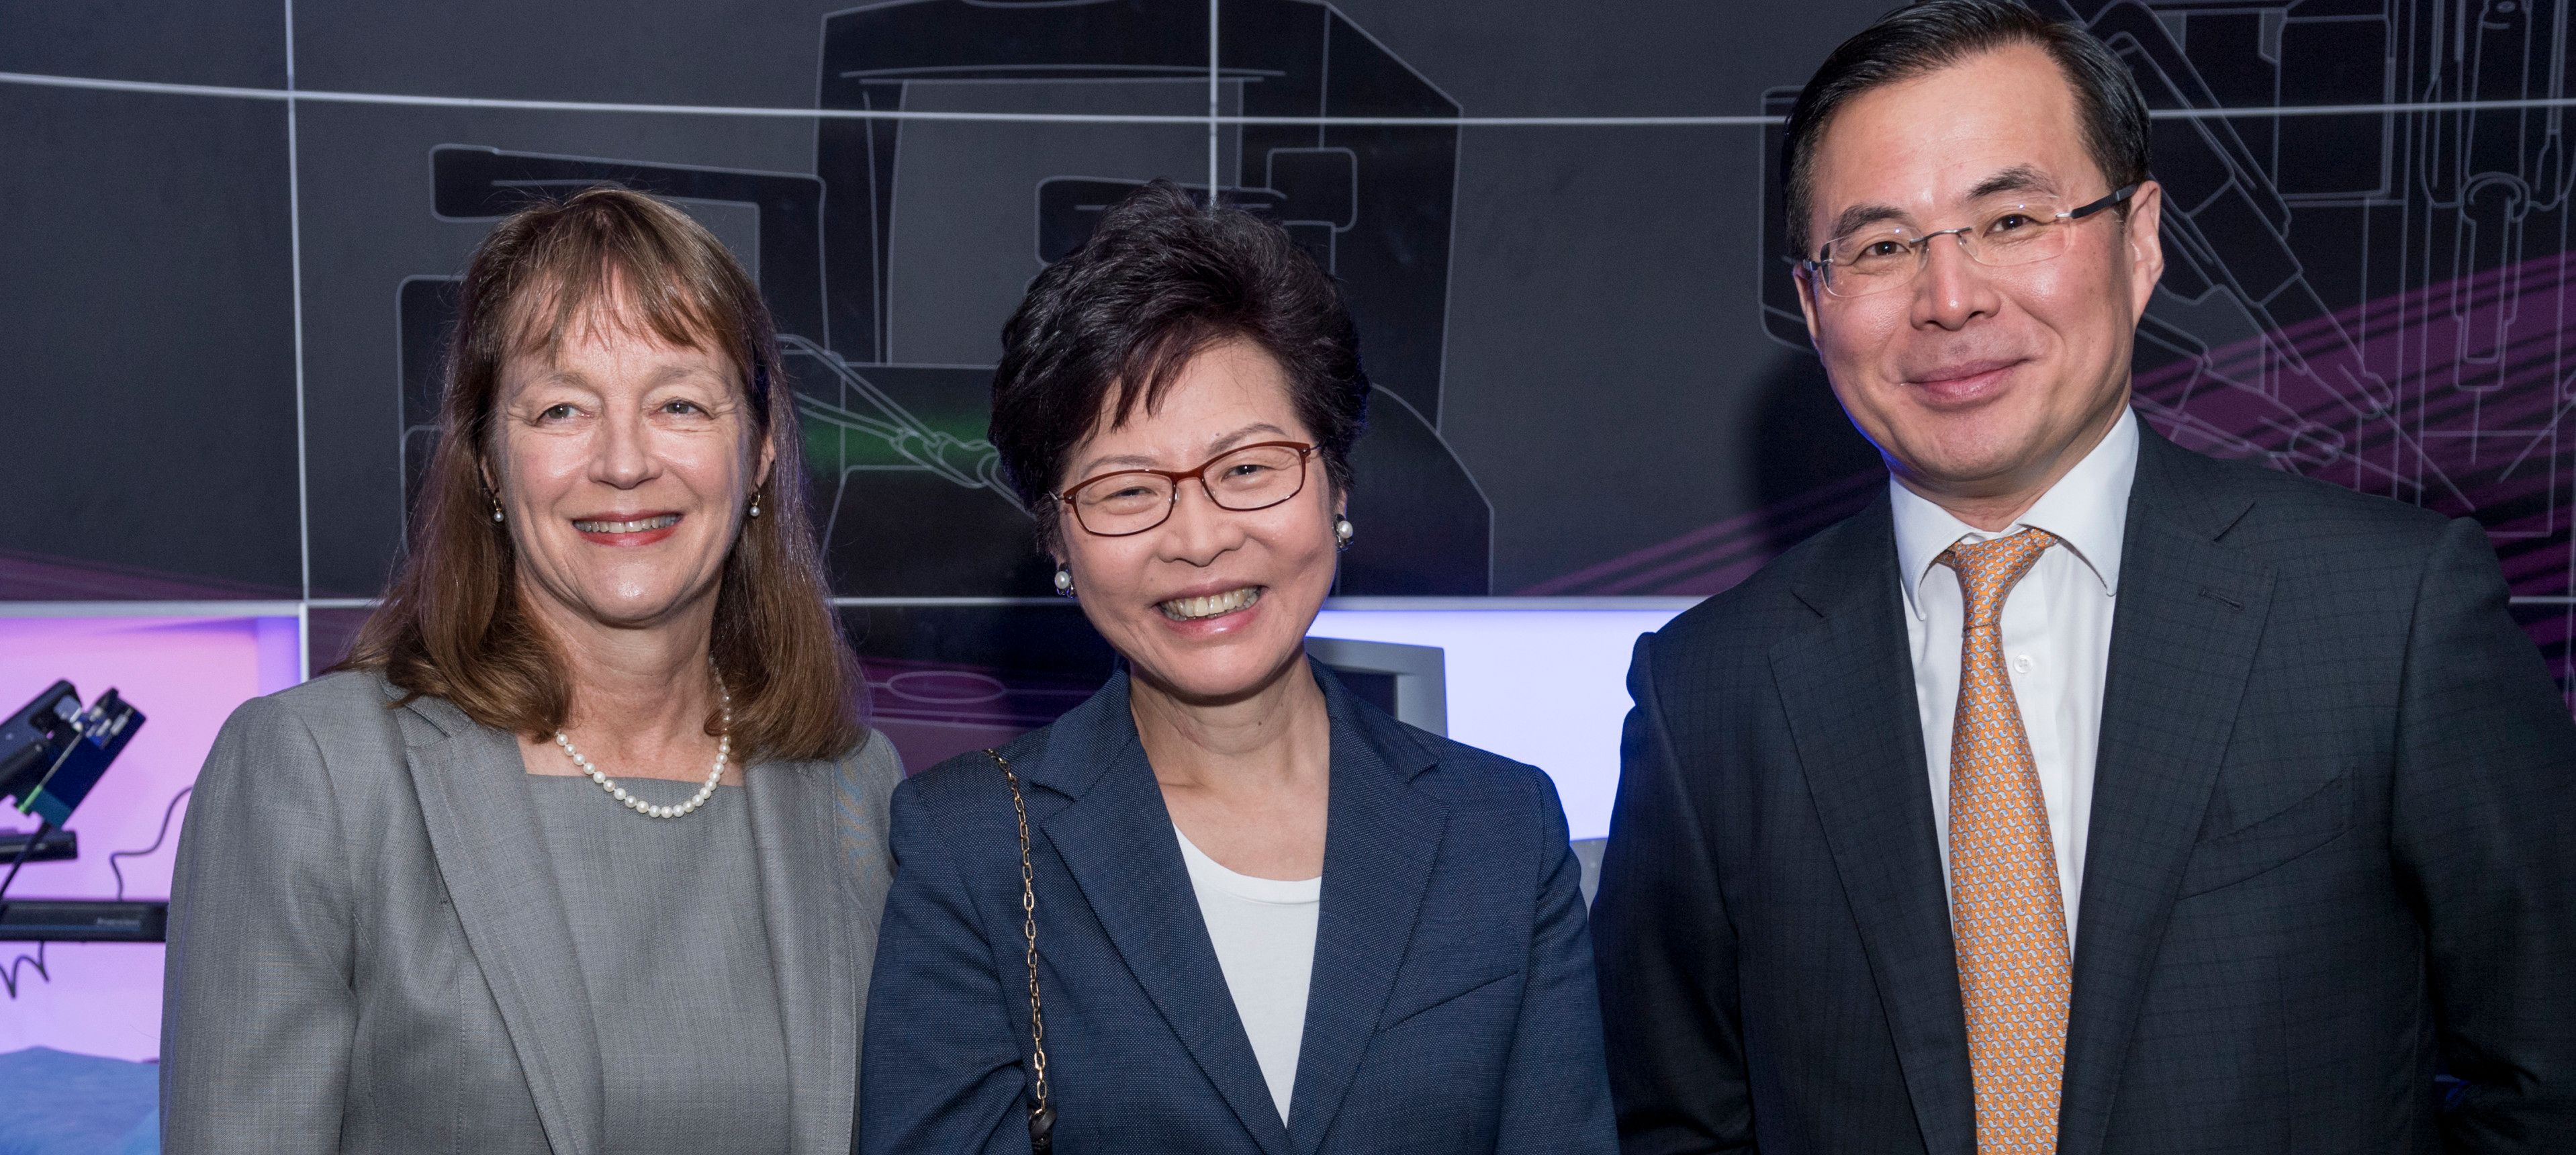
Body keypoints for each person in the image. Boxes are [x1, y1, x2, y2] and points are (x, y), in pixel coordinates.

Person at [1590, 2, 2576, 1152]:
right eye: (1879, 246)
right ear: (1814, 303)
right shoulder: (1709, 690)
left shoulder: (2392, 615)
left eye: (2011, 219)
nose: (1950, 297)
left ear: (2141, 239)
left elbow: (2547, 1079)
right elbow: (1672, 1123)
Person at [859, 179, 1617, 1155]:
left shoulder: (1500, 832)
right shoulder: (969, 847)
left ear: (1336, 484)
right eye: (1128, 490)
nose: (1201, 538)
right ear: (1058, 539)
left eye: (1250, 469)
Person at [160, 187, 902, 1154]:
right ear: (485, 462)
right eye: (562, 408)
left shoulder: (855, 785)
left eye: (679, 402)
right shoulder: (316, 775)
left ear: (759, 451)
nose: (625, 461)